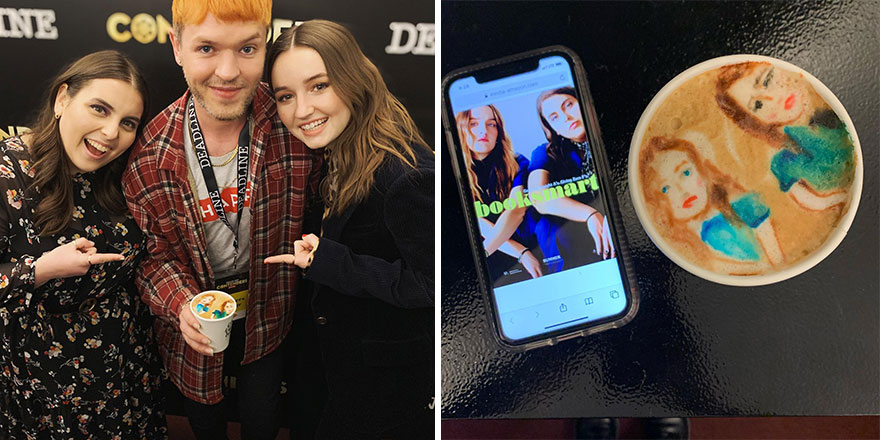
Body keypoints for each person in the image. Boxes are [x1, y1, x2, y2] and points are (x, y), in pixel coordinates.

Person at [121, 1, 317, 438]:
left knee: (264, 416)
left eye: (247, 50)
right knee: (205, 422)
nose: (228, 72)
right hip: (194, 325)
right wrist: (179, 306)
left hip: (272, 313)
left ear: (265, 46)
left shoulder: (298, 123)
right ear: (177, 46)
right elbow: (151, 257)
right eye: (207, 48)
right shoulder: (149, 156)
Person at [265, 20, 434, 439]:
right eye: (286, 96)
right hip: (332, 370)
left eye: (319, 86)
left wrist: (331, 262)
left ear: (353, 79)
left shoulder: (405, 176)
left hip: (386, 390)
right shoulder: (332, 151)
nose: (301, 110)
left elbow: (433, 286)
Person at [0, 50, 166, 439]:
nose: (111, 133)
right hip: (46, 391)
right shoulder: (8, 173)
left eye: (128, 122)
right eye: (98, 109)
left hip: (128, 379)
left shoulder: (125, 174)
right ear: (62, 100)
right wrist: (41, 270)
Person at [715, 61, 855, 211]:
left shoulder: (829, 120)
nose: (771, 97)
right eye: (758, 105)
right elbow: (810, 200)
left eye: (767, 80)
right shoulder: (784, 162)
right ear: (756, 122)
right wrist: (838, 199)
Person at [639, 136, 784, 273]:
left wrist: (768, 268)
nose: (682, 191)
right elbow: (718, 267)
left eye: (686, 173)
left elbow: (776, 259)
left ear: (701, 170)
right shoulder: (682, 242)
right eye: (666, 188)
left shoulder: (743, 205)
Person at [528, 87, 614, 273]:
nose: (565, 117)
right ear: (553, 129)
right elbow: (538, 197)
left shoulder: (614, 136)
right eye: (555, 117)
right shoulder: (545, 153)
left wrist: (612, 213)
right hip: (574, 234)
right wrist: (590, 215)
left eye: (568, 105)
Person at [455, 105, 542, 284]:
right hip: (494, 247)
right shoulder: (455, 173)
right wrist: (520, 252)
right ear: (461, 128)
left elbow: (516, 211)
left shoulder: (518, 163)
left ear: (499, 131)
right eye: (473, 124)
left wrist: (479, 259)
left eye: (491, 124)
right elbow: (477, 222)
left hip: (515, 239)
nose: (483, 131)